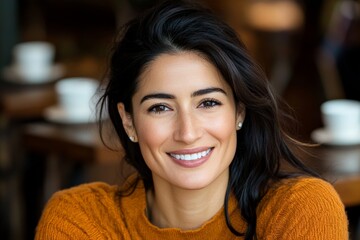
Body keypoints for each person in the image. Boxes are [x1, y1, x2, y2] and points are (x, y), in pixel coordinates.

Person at [35, 0, 348, 239]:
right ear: (128, 121)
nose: (188, 132)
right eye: (160, 107)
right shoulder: (81, 221)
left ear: (239, 111)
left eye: (208, 102)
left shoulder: (301, 211)